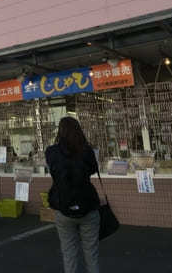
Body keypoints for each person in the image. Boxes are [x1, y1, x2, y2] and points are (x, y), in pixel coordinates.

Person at [45, 117, 101, 273]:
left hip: (63, 206)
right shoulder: (87, 150)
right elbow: (92, 170)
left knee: (69, 253)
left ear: (60, 131)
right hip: (88, 205)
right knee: (92, 253)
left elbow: (53, 171)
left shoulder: (51, 152)